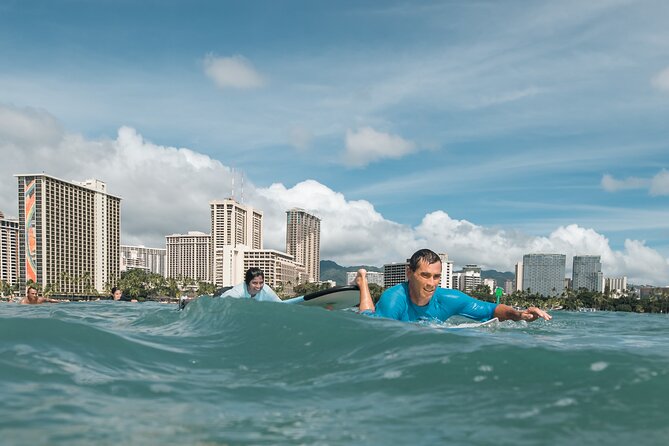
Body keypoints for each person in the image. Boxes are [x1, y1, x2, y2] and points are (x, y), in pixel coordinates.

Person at [357, 249, 551, 323]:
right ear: (410, 273)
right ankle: (363, 281)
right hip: (376, 316)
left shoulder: (449, 299)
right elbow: (376, 333)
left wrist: (519, 314)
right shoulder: (393, 300)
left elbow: (491, 309)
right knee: (367, 313)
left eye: (436, 277)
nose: (431, 283)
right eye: (424, 275)